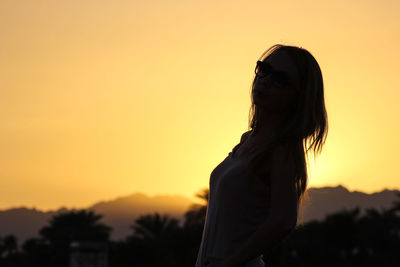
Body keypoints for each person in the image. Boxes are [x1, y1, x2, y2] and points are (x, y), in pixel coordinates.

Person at [194, 44, 328, 267]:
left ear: (298, 97)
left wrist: (229, 263)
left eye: (280, 79)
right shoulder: (248, 140)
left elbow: (284, 221)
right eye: (264, 69)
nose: (265, 80)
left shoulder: (280, 150)